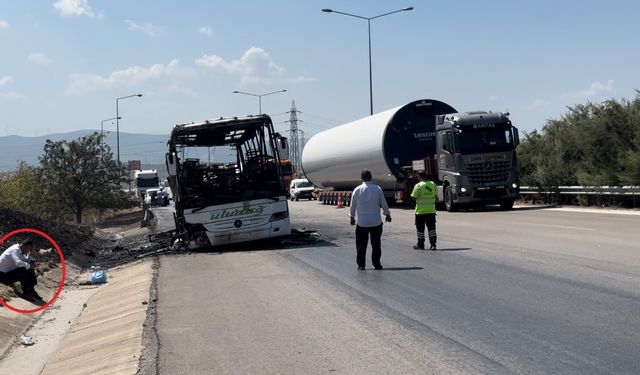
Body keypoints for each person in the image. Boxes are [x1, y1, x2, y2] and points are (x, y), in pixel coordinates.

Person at [349, 169, 392, 270]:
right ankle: (377, 264)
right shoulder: (377, 189)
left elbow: (352, 206)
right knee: (376, 244)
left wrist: (352, 217)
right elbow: (383, 203)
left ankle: (361, 265)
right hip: (376, 221)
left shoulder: (357, 190)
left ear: (362, 178)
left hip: (362, 223)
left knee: (361, 245)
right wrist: (387, 214)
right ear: (371, 177)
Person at [411, 171, 437, 250]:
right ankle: (433, 245)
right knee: (432, 229)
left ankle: (420, 244)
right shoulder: (433, 184)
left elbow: (413, 196)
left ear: (419, 176)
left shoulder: (418, 186)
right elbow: (435, 195)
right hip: (431, 211)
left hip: (420, 212)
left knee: (420, 229)